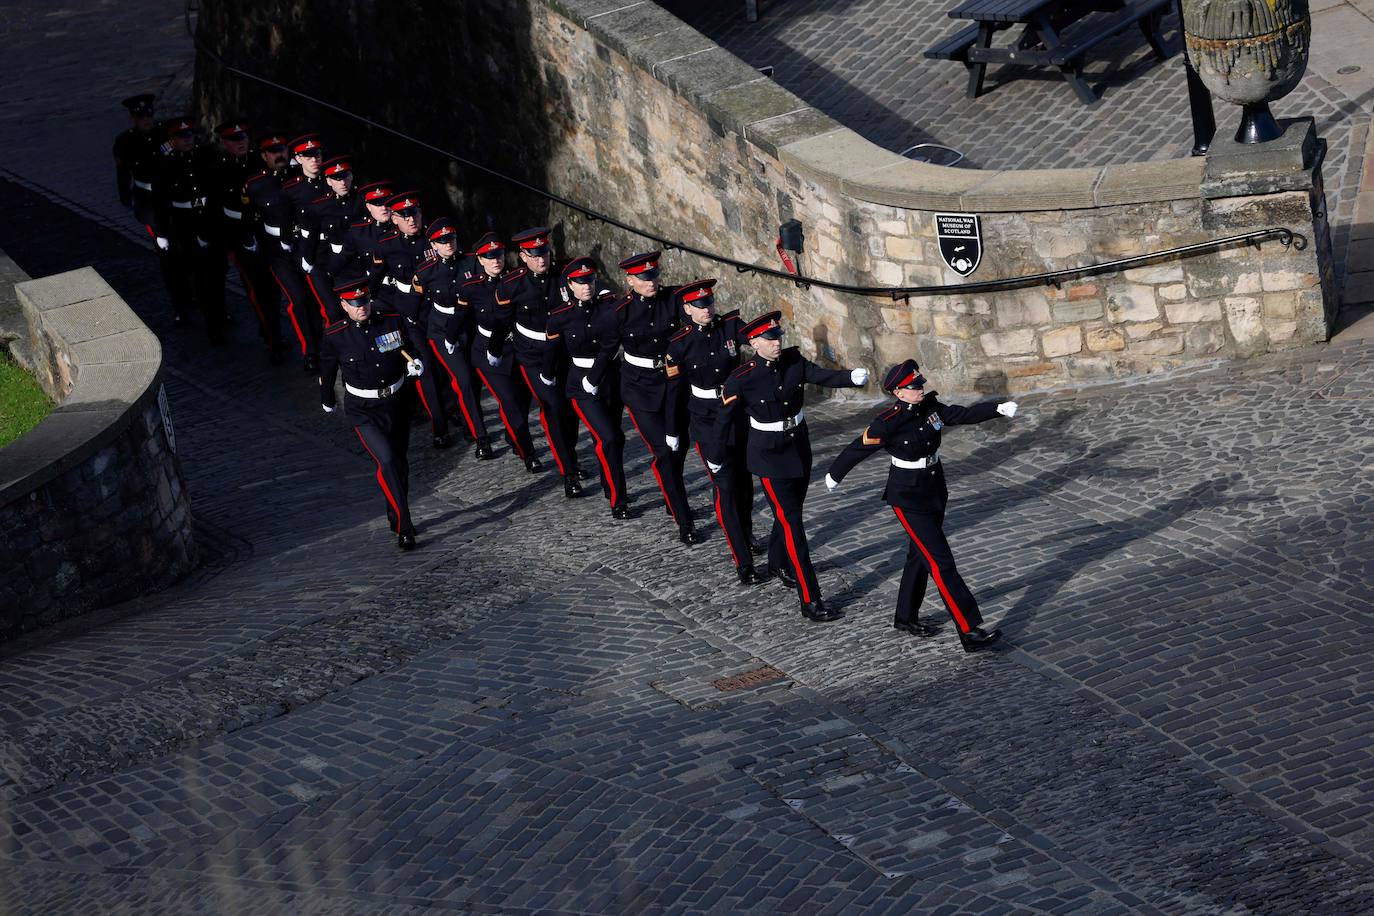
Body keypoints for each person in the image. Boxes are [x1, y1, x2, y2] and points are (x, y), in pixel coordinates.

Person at [824, 359, 1015, 652]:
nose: (920, 389)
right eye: (914, 387)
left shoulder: (930, 407)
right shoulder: (888, 421)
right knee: (942, 563)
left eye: (920, 384)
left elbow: (959, 414)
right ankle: (969, 630)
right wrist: (835, 474)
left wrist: (996, 409)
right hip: (907, 496)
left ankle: (905, 616)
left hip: (934, 488)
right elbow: (858, 447)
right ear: (899, 393)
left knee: (919, 555)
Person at [715, 311, 868, 621]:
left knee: (790, 513)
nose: (777, 342)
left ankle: (777, 561)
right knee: (793, 526)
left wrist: (850, 377)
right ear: (754, 342)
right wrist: (717, 458)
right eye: (770, 339)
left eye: (778, 337)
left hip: (798, 448)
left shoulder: (793, 362)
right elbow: (724, 421)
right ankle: (810, 600)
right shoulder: (742, 378)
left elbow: (820, 375)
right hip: (769, 457)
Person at [665, 279, 764, 582]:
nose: (706, 309)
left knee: (745, 484)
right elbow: (674, 391)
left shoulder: (730, 326)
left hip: (737, 414)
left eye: (708, 303)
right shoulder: (679, 344)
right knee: (726, 487)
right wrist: (672, 429)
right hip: (706, 420)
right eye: (699, 305)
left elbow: (756, 338)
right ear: (687, 309)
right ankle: (743, 562)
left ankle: (747, 535)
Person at [318, 276, 427, 550]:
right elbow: (328, 369)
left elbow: (408, 347)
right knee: (387, 460)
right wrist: (327, 398)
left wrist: (417, 362)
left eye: (364, 301)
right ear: (344, 305)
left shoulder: (390, 320)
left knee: (400, 463)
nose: (361, 307)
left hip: (397, 402)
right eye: (354, 303)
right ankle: (405, 525)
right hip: (363, 410)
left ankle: (394, 510)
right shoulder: (336, 336)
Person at [610, 252, 699, 544]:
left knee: (680, 446)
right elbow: (606, 348)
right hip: (639, 389)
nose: (652, 282)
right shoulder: (621, 310)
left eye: (655, 275)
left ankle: (669, 488)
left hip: (675, 385)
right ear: (630, 280)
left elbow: (693, 331)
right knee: (664, 452)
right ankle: (684, 519)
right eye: (645, 278)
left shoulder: (673, 300)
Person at [497, 227, 582, 497]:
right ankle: (569, 473)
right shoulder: (513, 285)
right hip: (533, 354)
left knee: (571, 411)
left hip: (566, 352)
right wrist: (496, 350)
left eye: (544, 253)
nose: (541, 259)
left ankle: (571, 455)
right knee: (554, 407)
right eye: (534, 255)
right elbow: (502, 321)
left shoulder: (565, 275)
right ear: (523, 257)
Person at [370, 191, 456, 449]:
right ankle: (439, 427)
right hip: (411, 315)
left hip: (440, 310)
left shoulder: (436, 239)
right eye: (404, 216)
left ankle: (458, 411)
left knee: (451, 365)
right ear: (394, 219)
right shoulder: (386, 245)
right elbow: (375, 283)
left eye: (414, 214)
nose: (411, 220)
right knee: (425, 368)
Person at [545, 258, 629, 516]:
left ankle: (609, 482)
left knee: (611, 438)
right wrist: (547, 378)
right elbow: (552, 353)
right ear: (569, 285)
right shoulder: (560, 317)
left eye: (590, 281)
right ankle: (619, 500)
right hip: (581, 385)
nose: (587, 286)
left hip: (611, 379)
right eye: (580, 282)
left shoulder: (610, 307)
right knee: (610, 437)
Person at [415, 217, 494, 459]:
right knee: (464, 379)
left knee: (477, 379)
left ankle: (471, 422)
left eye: (450, 238)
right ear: (433, 245)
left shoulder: (471, 262)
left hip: (471, 325)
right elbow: (415, 305)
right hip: (442, 330)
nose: (448, 244)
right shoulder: (426, 272)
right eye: (441, 240)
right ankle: (481, 437)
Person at [462, 232, 541, 471]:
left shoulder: (517, 281)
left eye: (498, 255)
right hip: (489, 353)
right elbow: (460, 318)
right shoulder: (472, 287)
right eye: (489, 256)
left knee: (524, 399)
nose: (495, 260)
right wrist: (450, 341)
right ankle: (528, 453)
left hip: (518, 348)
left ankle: (513, 435)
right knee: (509, 401)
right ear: (480, 260)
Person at [142, 115, 223, 338]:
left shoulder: (205, 155)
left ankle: (221, 312)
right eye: (181, 135)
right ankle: (210, 323)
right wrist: (161, 232)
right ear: (172, 139)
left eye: (189, 134)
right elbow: (159, 200)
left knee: (217, 271)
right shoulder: (165, 164)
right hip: (183, 224)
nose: (187, 139)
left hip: (209, 219)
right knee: (197, 274)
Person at [209, 119, 281, 359]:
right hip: (238, 234)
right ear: (223, 143)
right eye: (234, 140)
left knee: (273, 287)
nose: (240, 143)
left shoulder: (257, 162)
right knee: (258, 289)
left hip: (265, 230)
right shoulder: (218, 169)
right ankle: (273, 339)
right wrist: (227, 239)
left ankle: (272, 331)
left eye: (243, 138)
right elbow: (216, 208)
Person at [245, 131, 316, 371]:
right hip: (275, 251)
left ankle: (318, 348)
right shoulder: (256, 185)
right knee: (296, 300)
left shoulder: (301, 176)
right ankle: (299, 349)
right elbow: (251, 217)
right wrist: (252, 244)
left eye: (282, 151)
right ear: (264, 156)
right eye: (274, 152)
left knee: (312, 300)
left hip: (304, 245)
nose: (279, 155)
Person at [301, 155, 364, 323]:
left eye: (345, 177)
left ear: (351, 177)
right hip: (332, 263)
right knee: (334, 312)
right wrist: (308, 260)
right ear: (328, 181)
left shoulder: (363, 201)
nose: (342, 182)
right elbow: (311, 236)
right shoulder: (320, 206)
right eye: (336, 178)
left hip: (361, 263)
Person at [113, 93, 161, 209]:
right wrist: (125, 196)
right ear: (132, 118)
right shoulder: (125, 141)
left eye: (149, 114)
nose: (146, 119)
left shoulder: (165, 132)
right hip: (145, 194)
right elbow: (123, 172)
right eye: (140, 115)